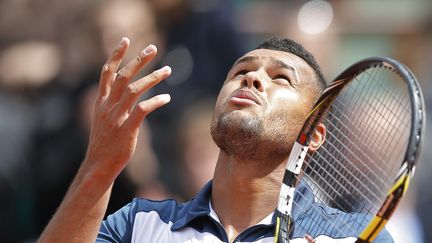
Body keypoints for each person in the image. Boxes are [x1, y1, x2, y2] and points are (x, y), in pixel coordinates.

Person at [38, 37, 393, 242]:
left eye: (281, 78)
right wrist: (99, 168)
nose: (252, 78)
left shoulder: (357, 236)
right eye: (241, 71)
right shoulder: (140, 224)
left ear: (314, 134)